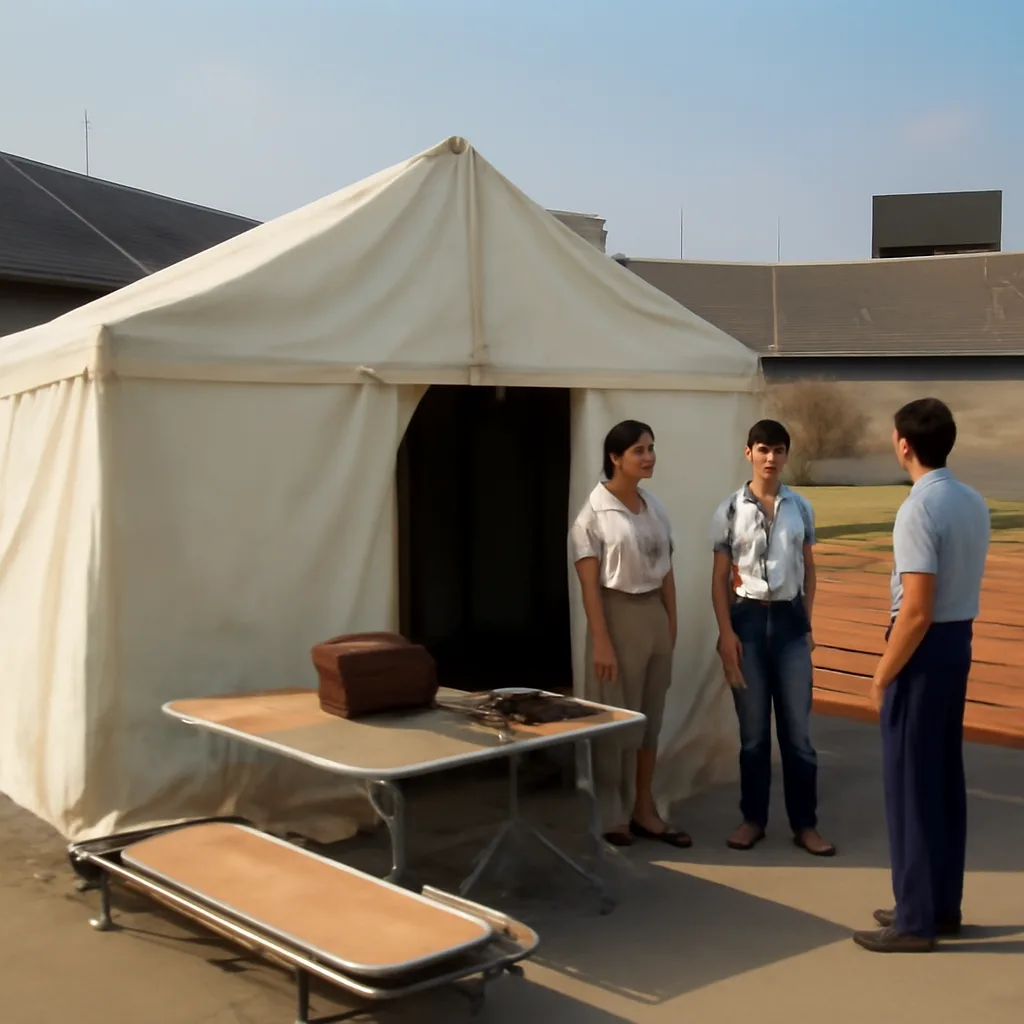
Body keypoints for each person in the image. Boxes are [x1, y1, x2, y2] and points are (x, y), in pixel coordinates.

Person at [853, 398, 990, 954]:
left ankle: (913, 921)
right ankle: (937, 902)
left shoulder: (918, 509)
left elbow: (916, 608)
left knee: (909, 784)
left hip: (923, 649)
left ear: (903, 444)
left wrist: (883, 674)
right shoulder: (972, 500)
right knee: (941, 778)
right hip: (958, 643)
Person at [710, 419, 835, 857]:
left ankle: (806, 824)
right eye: (763, 449)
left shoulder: (800, 507)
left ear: (786, 455)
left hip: (789, 624)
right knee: (754, 734)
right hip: (746, 619)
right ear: (749, 453)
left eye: (778, 450)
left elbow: (809, 567)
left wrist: (808, 620)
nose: (771, 458)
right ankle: (752, 820)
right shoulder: (729, 510)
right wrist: (725, 633)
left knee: (798, 733)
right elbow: (720, 576)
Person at [569, 419, 691, 849]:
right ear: (615, 458)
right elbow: (589, 585)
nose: (649, 456)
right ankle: (612, 813)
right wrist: (601, 640)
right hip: (616, 616)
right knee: (615, 718)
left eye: (651, 448)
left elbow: (668, 570)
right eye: (639, 450)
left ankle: (644, 806)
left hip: (653, 614)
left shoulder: (653, 507)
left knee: (650, 719)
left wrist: (670, 622)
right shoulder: (593, 516)